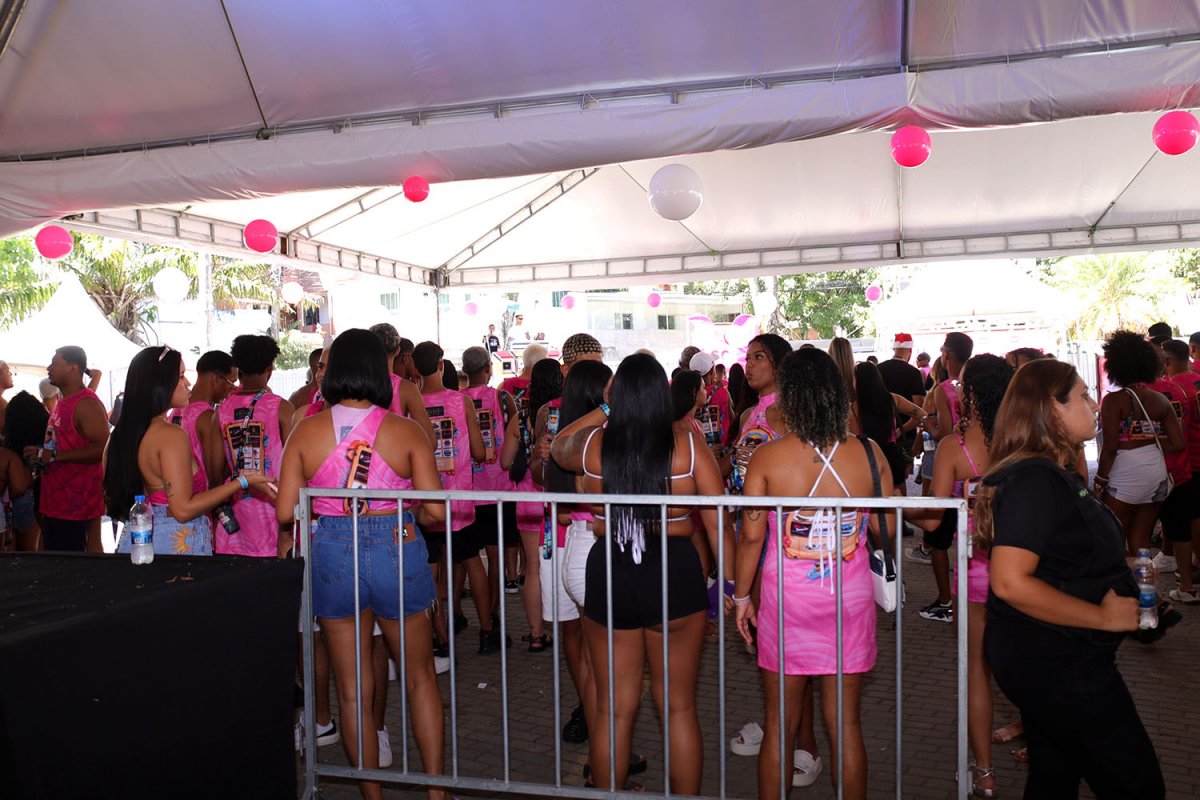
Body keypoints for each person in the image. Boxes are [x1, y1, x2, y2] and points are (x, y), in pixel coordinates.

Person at [977, 359, 1164, 799]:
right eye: (1083, 395)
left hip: (1052, 656)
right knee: (1137, 786)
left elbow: (1060, 558)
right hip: (1058, 664)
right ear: (1051, 408)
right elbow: (1009, 582)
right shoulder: (1034, 480)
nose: (1095, 404)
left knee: (1053, 776)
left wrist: (1122, 582)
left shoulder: (1051, 473)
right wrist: (1102, 616)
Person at [276, 329, 448, 800]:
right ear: (379, 370)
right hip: (397, 544)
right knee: (419, 677)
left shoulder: (305, 430)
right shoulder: (406, 431)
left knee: (352, 690)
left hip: (333, 549)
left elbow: (286, 510)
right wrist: (409, 509)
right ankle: (437, 792)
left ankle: (372, 794)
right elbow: (436, 510)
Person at [550, 353, 727, 794]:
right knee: (679, 708)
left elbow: (558, 446)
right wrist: (734, 588)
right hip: (674, 572)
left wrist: (605, 408)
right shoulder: (688, 446)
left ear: (619, 395)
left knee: (612, 709)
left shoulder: (594, 446)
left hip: (612, 570)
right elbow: (718, 523)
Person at [733, 348, 893, 800]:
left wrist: (741, 598)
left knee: (780, 724)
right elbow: (885, 527)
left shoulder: (768, 458)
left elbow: (750, 538)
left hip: (786, 602)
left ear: (791, 396)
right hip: (849, 599)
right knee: (845, 725)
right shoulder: (869, 453)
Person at [911, 354, 1014, 797]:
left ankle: (984, 773)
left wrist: (895, 508)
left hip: (976, 570)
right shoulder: (1029, 439)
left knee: (976, 671)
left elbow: (934, 519)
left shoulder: (956, 447)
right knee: (1031, 664)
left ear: (969, 394)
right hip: (1028, 569)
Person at [105, 346, 273, 556]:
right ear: (160, 384)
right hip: (176, 549)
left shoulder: (120, 436)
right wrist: (242, 482)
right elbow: (183, 509)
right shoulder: (171, 435)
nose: (188, 383)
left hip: (138, 545)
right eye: (181, 376)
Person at [413, 341, 486, 657]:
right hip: (459, 503)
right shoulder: (461, 401)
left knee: (431, 572)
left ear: (415, 368)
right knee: (472, 563)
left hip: (425, 503)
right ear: (442, 365)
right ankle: (487, 631)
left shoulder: (411, 404)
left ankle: (440, 638)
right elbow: (480, 452)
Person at [1095, 331, 1184, 554]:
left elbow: (1110, 448)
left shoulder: (1113, 401)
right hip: (1156, 473)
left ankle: (1123, 577)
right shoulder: (1160, 400)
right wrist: (1148, 442)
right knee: (1140, 541)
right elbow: (1178, 443)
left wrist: (1100, 479)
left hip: (1126, 474)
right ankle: (1145, 576)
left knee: (1114, 538)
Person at [910, 332, 974, 621]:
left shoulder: (944, 389)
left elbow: (945, 434)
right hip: (977, 471)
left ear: (946, 354)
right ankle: (970, 597)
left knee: (937, 538)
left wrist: (927, 422)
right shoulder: (976, 383)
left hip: (951, 472)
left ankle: (945, 600)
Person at [214, 335, 295, 557]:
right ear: (270, 368)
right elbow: (293, 467)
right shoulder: (282, 408)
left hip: (234, 519)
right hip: (275, 516)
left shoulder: (220, 412)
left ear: (238, 368)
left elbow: (215, 474)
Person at [459, 345, 517, 653]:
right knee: (494, 559)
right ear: (488, 368)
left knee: (463, 557)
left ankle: (457, 613)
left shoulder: (458, 400)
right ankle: (492, 615)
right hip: (498, 489)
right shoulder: (502, 398)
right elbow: (515, 434)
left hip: (467, 491)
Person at [26, 346, 109, 552]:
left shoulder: (86, 404)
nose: (49, 368)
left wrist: (55, 456)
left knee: (73, 565)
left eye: (55, 363)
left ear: (73, 368)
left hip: (76, 504)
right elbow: (62, 443)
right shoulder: (64, 401)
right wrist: (41, 454)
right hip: (57, 501)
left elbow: (102, 448)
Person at [1162, 339, 1200, 601]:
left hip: (1188, 461)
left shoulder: (1174, 389)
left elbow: (1177, 433)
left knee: (1183, 520)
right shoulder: (1196, 381)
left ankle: (1187, 579)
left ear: (1167, 361)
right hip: (1195, 459)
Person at [177, 350, 239, 489]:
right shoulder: (207, 418)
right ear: (216, 379)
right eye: (232, 382)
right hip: (201, 498)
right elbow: (215, 478)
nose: (233, 389)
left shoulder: (176, 410)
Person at [875, 333, 926, 493]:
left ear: (894, 349)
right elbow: (919, 410)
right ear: (910, 351)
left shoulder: (878, 370)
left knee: (879, 477)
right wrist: (900, 430)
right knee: (899, 479)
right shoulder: (913, 373)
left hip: (880, 433)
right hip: (904, 436)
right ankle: (899, 508)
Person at [369, 324, 434, 437]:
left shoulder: (358, 385)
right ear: (397, 350)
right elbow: (430, 439)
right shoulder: (406, 388)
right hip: (398, 446)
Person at [4, 391, 47, 551]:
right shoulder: (44, 450)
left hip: (10, 507)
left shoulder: (9, 451)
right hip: (34, 502)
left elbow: (17, 487)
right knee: (34, 551)